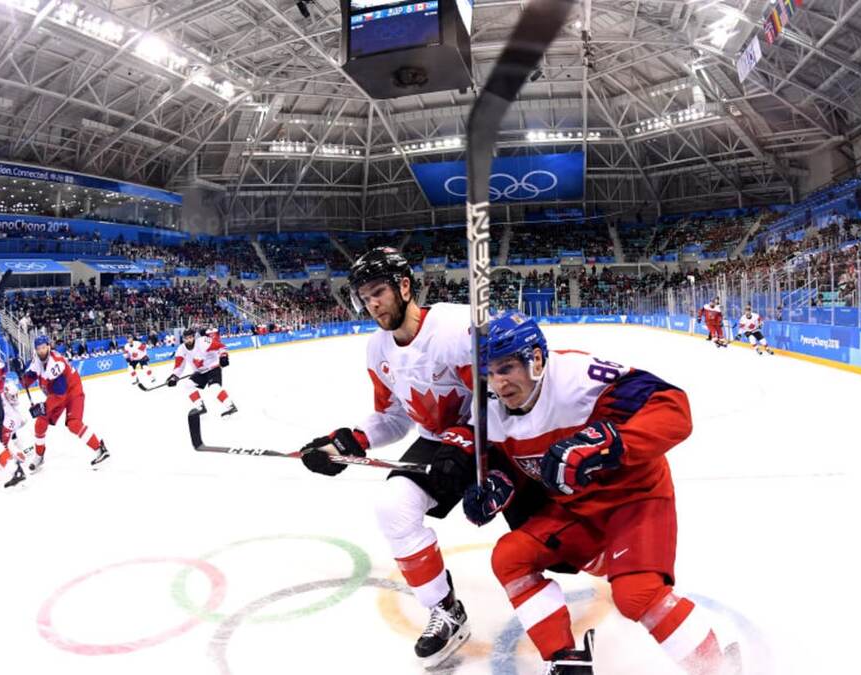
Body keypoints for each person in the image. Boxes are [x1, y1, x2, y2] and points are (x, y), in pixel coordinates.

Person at [297, 248, 543, 667]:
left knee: (552, 539)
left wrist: (466, 438)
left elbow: (500, 393)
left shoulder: (451, 328)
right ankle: (445, 610)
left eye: (378, 292)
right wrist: (348, 442)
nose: (372, 304)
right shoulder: (378, 350)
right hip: (440, 442)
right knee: (393, 507)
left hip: (496, 435)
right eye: (364, 296)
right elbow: (392, 418)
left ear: (404, 287)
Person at [457, 312, 740, 674]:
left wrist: (606, 444)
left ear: (537, 360)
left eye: (508, 367)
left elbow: (674, 409)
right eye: (491, 372)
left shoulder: (581, 378)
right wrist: (497, 486)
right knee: (509, 557)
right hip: (575, 510)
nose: (499, 383)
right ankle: (565, 660)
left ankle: (718, 668)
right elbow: (514, 466)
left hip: (635, 498)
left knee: (636, 593)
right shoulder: (489, 411)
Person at [15, 334, 109, 471]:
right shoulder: (37, 360)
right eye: (38, 348)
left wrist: (44, 407)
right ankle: (39, 455)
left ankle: (100, 449)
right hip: (57, 394)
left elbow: (60, 394)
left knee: (74, 424)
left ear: (48, 346)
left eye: (43, 347)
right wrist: (20, 375)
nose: (41, 350)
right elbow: (28, 379)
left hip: (72, 392)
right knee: (40, 422)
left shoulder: (56, 363)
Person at [167, 328, 238, 417]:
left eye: (190, 337)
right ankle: (201, 407)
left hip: (213, 368)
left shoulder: (203, 342)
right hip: (200, 372)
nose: (189, 340)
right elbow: (179, 366)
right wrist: (174, 377)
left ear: (194, 337)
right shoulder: (181, 349)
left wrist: (223, 356)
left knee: (214, 387)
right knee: (188, 385)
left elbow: (220, 346)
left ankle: (230, 406)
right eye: (186, 338)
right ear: (183, 339)